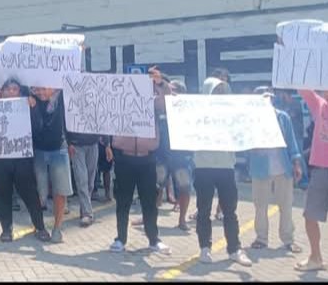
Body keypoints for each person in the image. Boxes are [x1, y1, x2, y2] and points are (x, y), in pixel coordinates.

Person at [107, 69, 171, 255]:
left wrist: (160, 84)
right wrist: (108, 144)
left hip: (147, 158)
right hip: (124, 157)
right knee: (123, 201)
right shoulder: (118, 100)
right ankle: (120, 239)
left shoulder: (153, 99)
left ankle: (153, 239)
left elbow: (166, 104)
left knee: (149, 201)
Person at [194, 77, 251, 266]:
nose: (219, 94)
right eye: (215, 91)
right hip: (203, 166)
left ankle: (234, 249)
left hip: (226, 166)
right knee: (203, 210)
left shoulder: (231, 115)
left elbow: (245, 124)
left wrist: (260, 105)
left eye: (222, 91)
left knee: (230, 211)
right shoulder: (196, 114)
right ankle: (205, 248)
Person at [0, 78, 50, 243]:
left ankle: (40, 227)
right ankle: (6, 229)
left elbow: (38, 127)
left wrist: (33, 108)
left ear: (19, 91)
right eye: (8, 89)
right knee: (2, 194)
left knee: (30, 193)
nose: (11, 92)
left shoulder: (27, 105)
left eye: (14, 89)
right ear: (1, 91)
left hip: (22, 159)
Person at [248, 86, 303, 254]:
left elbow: (292, 142)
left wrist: (297, 164)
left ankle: (288, 239)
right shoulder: (250, 120)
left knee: (286, 205)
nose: (267, 100)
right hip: (260, 168)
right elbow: (245, 142)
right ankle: (261, 238)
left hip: (283, 167)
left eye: (268, 97)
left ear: (272, 98)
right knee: (260, 206)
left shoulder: (282, 117)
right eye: (262, 98)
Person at [294, 89, 328, 278]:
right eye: (325, 90)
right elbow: (302, 86)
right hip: (319, 170)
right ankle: (315, 258)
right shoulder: (319, 104)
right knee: (310, 215)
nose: (327, 93)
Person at [30, 87, 73, 243]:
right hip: (38, 150)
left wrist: (71, 142)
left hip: (59, 148)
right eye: (37, 89)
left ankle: (57, 228)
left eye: (43, 89)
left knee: (60, 191)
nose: (40, 92)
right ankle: (39, 226)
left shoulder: (64, 95)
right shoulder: (31, 97)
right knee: (39, 193)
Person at [160, 78, 194, 231]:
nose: (170, 93)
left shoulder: (189, 111)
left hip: (181, 156)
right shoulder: (161, 107)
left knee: (184, 187)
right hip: (162, 154)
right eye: (169, 90)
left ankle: (182, 220)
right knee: (155, 186)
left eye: (173, 90)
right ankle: (149, 218)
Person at [67, 124, 102, 227]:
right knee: (81, 179)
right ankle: (87, 213)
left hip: (93, 143)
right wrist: (69, 143)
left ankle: (84, 208)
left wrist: (107, 143)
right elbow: (66, 121)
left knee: (90, 182)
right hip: (77, 145)